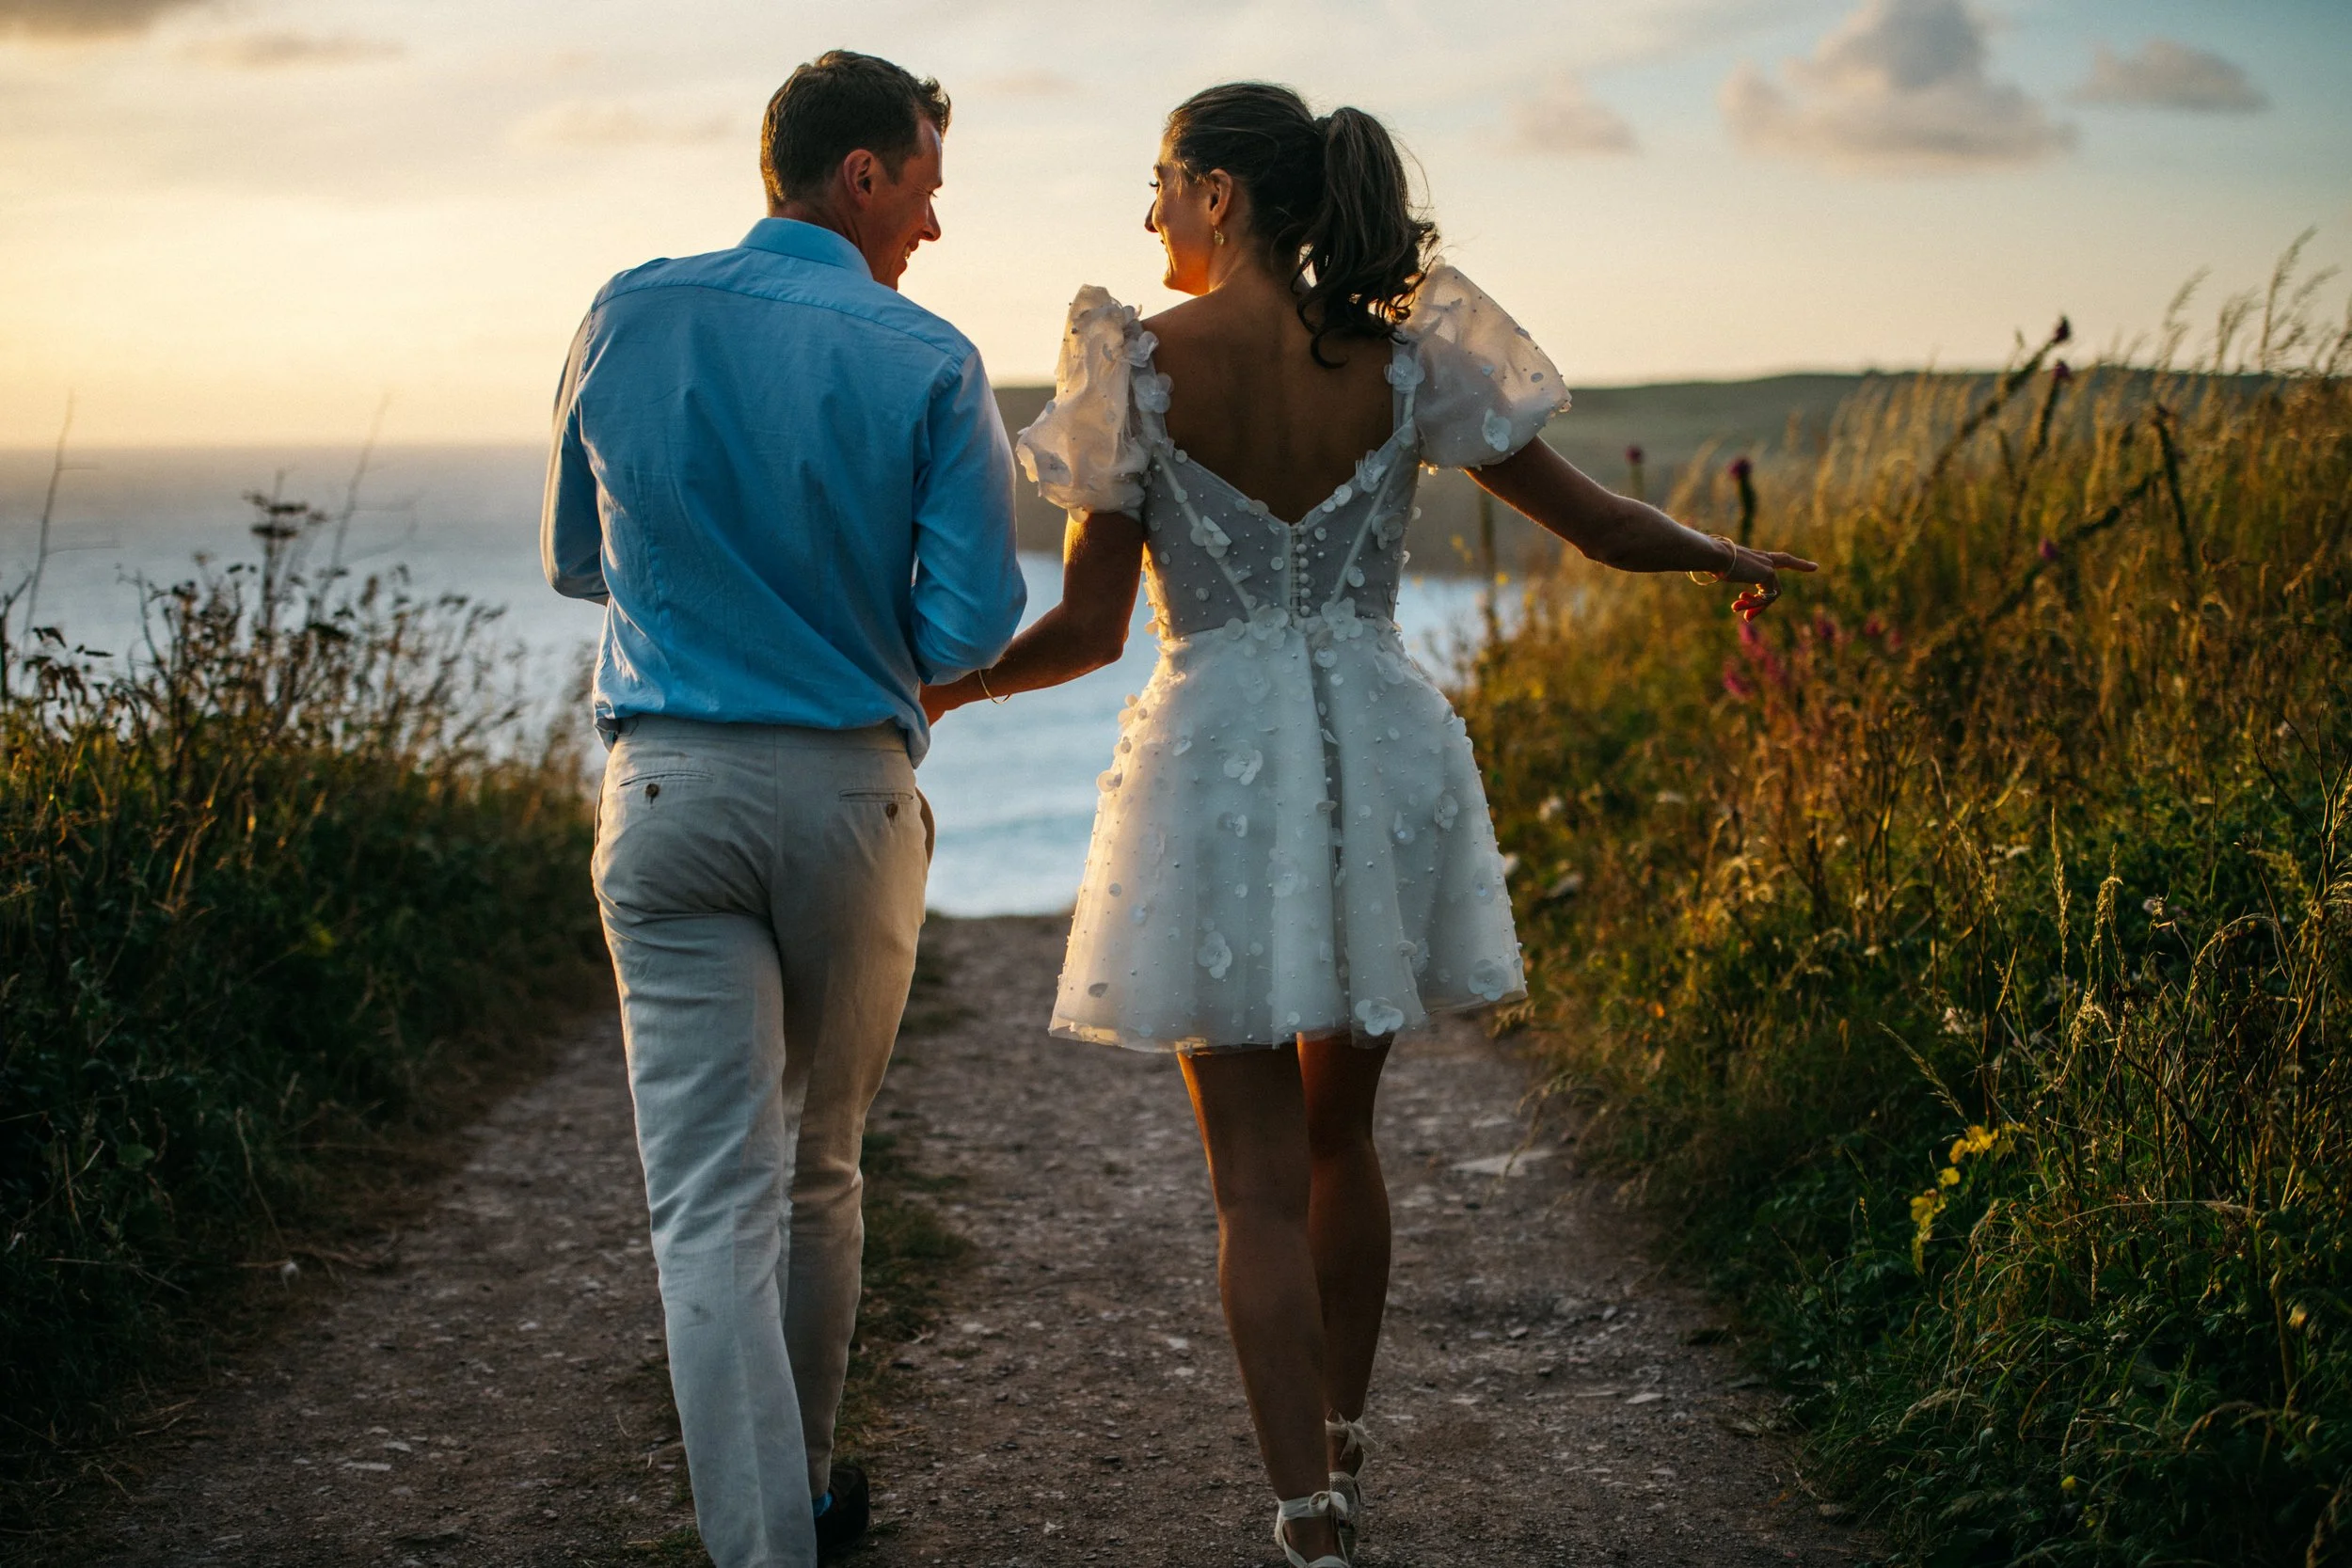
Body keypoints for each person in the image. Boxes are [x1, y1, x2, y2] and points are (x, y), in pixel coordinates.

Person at [920, 82, 1815, 1566]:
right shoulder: (1407, 361)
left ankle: (1312, 1516)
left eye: (1161, 186)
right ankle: (1344, 1440)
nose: (1146, 219)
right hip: (1379, 751)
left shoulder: (1135, 363)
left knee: (1251, 1181)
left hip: (1217, 758)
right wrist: (1728, 552)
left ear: (1220, 196)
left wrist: (947, 691)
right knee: (1347, 1142)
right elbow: (1596, 523)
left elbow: (1087, 628)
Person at [542, 50, 1027, 1568]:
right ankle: (800, 1503)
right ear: (864, 175)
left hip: (668, 786)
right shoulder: (933, 360)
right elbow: (969, 628)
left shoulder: (623, 311)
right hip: (844, 798)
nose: (933, 231)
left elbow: (581, 560)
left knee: (707, 1200)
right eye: (928, 189)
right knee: (818, 1164)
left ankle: (772, 1537)